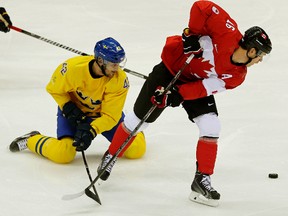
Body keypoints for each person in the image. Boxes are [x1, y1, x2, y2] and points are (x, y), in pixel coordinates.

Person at [96, 0, 272, 207]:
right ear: (252, 51)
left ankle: (201, 179)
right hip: (170, 69)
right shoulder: (227, 31)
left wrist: (176, 95)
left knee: (211, 125)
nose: (260, 60)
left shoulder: (237, 76)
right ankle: (111, 156)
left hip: (194, 82)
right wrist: (192, 34)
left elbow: (204, 88)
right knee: (139, 120)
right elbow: (202, 6)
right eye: (260, 55)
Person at [9, 37, 146, 164]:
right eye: (113, 64)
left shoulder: (119, 80)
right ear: (99, 61)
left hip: (102, 117)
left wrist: (92, 130)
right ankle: (31, 139)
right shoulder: (72, 69)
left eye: (118, 64)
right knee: (63, 154)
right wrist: (67, 106)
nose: (117, 69)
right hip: (73, 112)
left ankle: (135, 133)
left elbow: (111, 116)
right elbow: (54, 89)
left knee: (136, 149)